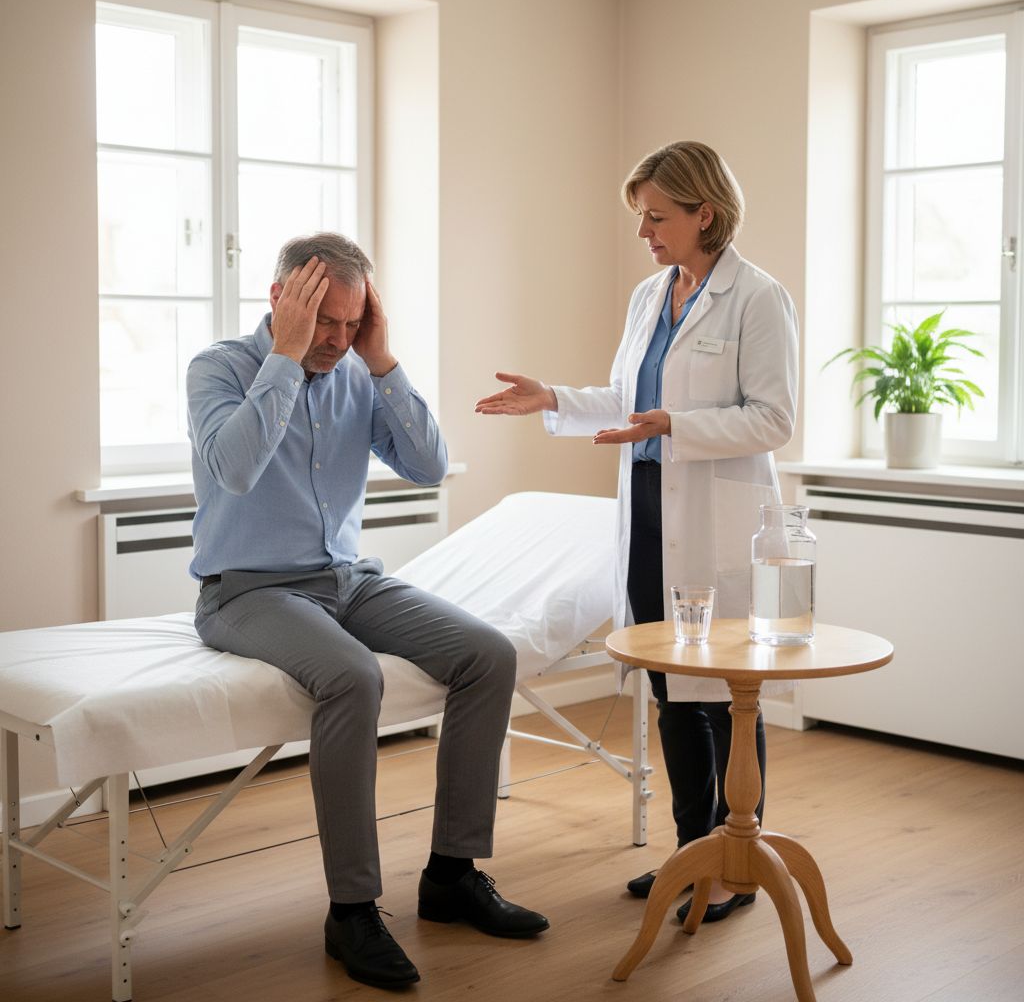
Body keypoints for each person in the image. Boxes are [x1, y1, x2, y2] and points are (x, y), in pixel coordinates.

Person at [187, 232, 548, 991]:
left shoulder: (357, 369)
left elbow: (429, 466)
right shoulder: (220, 368)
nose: (337, 339)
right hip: (246, 590)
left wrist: (381, 361)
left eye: (353, 323)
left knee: (489, 654)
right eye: (325, 320)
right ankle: (351, 910)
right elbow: (237, 470)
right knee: (353, 677)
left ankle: (452, 875)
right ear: (281, 298)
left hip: (347, 580)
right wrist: (286, 358)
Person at [476, 141, 797, 924]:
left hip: (717, 520)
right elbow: (629, 400)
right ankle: (691, 855)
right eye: (641, 217)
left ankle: (737, 866)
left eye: (656, 217)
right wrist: (553, 397)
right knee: (670, 689)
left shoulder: (758, 297)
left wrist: (675, 424)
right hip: (650, 514)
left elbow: (774, 419)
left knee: (725, 699)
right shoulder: (651, 295)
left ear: (704, 214)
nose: (643, 232)